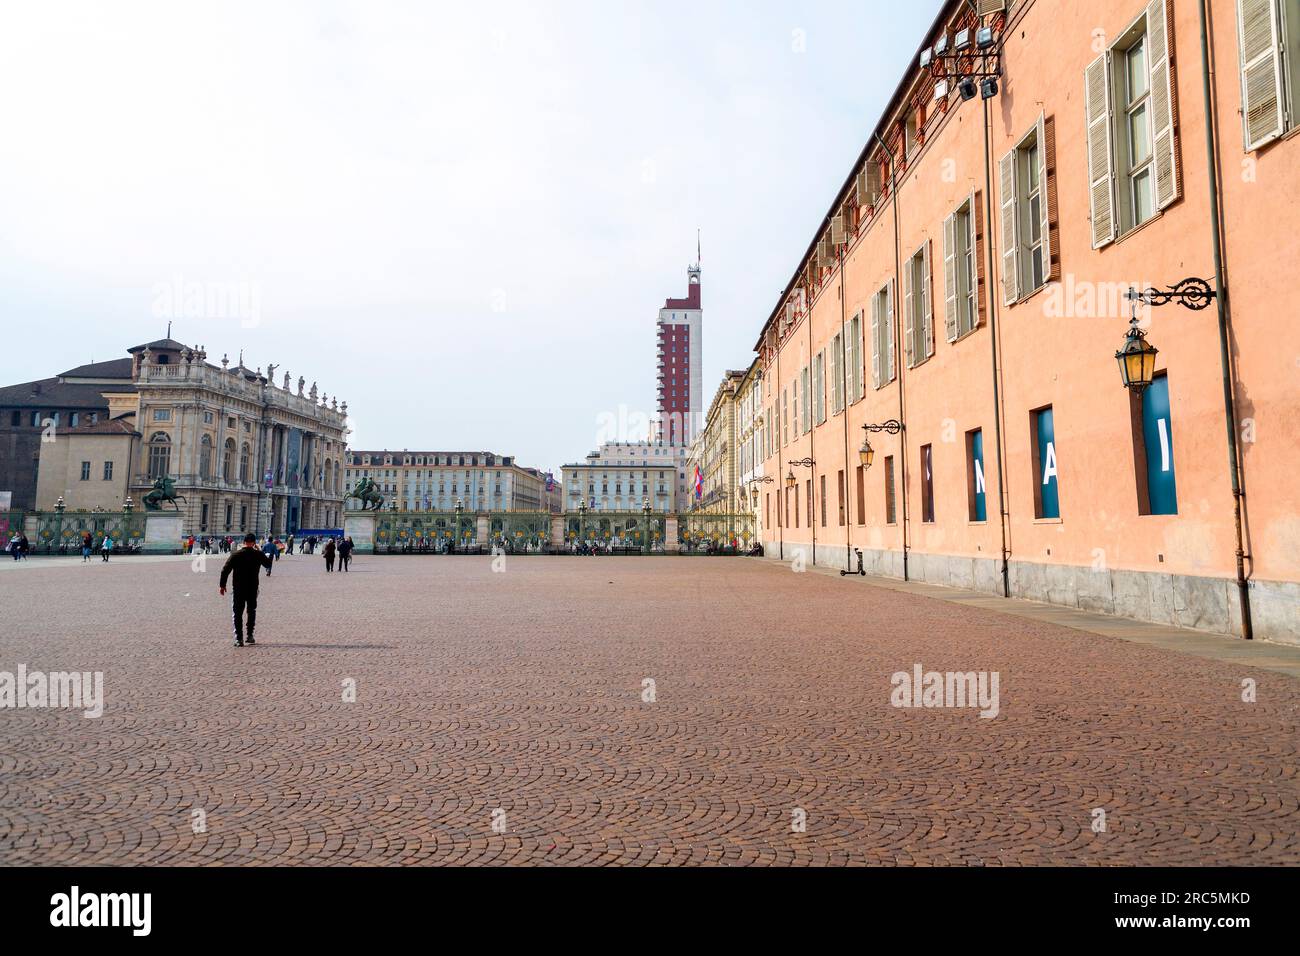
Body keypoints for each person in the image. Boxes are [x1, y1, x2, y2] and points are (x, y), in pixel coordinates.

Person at [219, 532, 273, 647]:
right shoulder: (258, 554)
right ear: (254, 543)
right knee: (251, 611)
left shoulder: (236, 555)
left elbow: (225, 570)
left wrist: (222, 585)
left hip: (238, 588)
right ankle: (250, 635)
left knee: (237, 613)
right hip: (252, 588)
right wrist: (260, 551)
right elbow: (268, 564)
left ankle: (239, 639)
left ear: (244, 542)